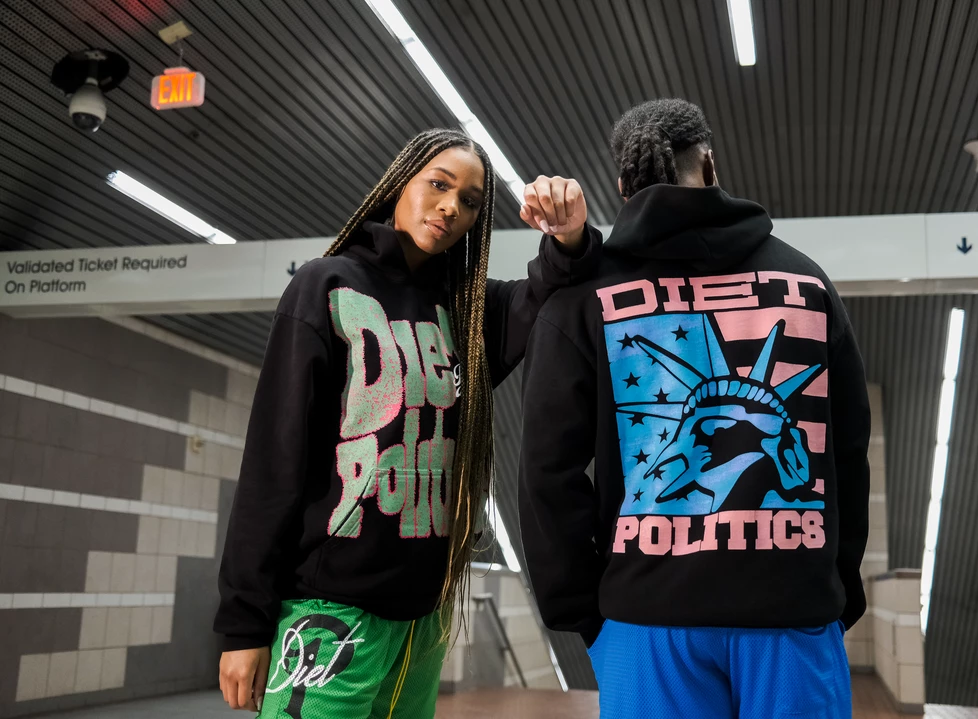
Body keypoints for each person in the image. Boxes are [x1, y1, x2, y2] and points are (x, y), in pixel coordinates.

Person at [215, 128, 601, 718]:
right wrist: (244, 624)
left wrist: (568, 233)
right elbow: (273, 462)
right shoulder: (325, 284)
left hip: (425, 619)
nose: (451, 207)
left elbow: (553, 284)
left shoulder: (471, 312)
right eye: (438, 185)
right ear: (399, 184)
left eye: (469, 201)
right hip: (329, 613)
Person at [518, 99, 871, 718]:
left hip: (647, 624)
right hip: (793, 614)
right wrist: (832, 587)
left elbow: (547, 471)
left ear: (623, 185)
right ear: (708, 164)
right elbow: (847, 450)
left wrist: (581, 612)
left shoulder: (583, 297)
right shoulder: (807, 283)